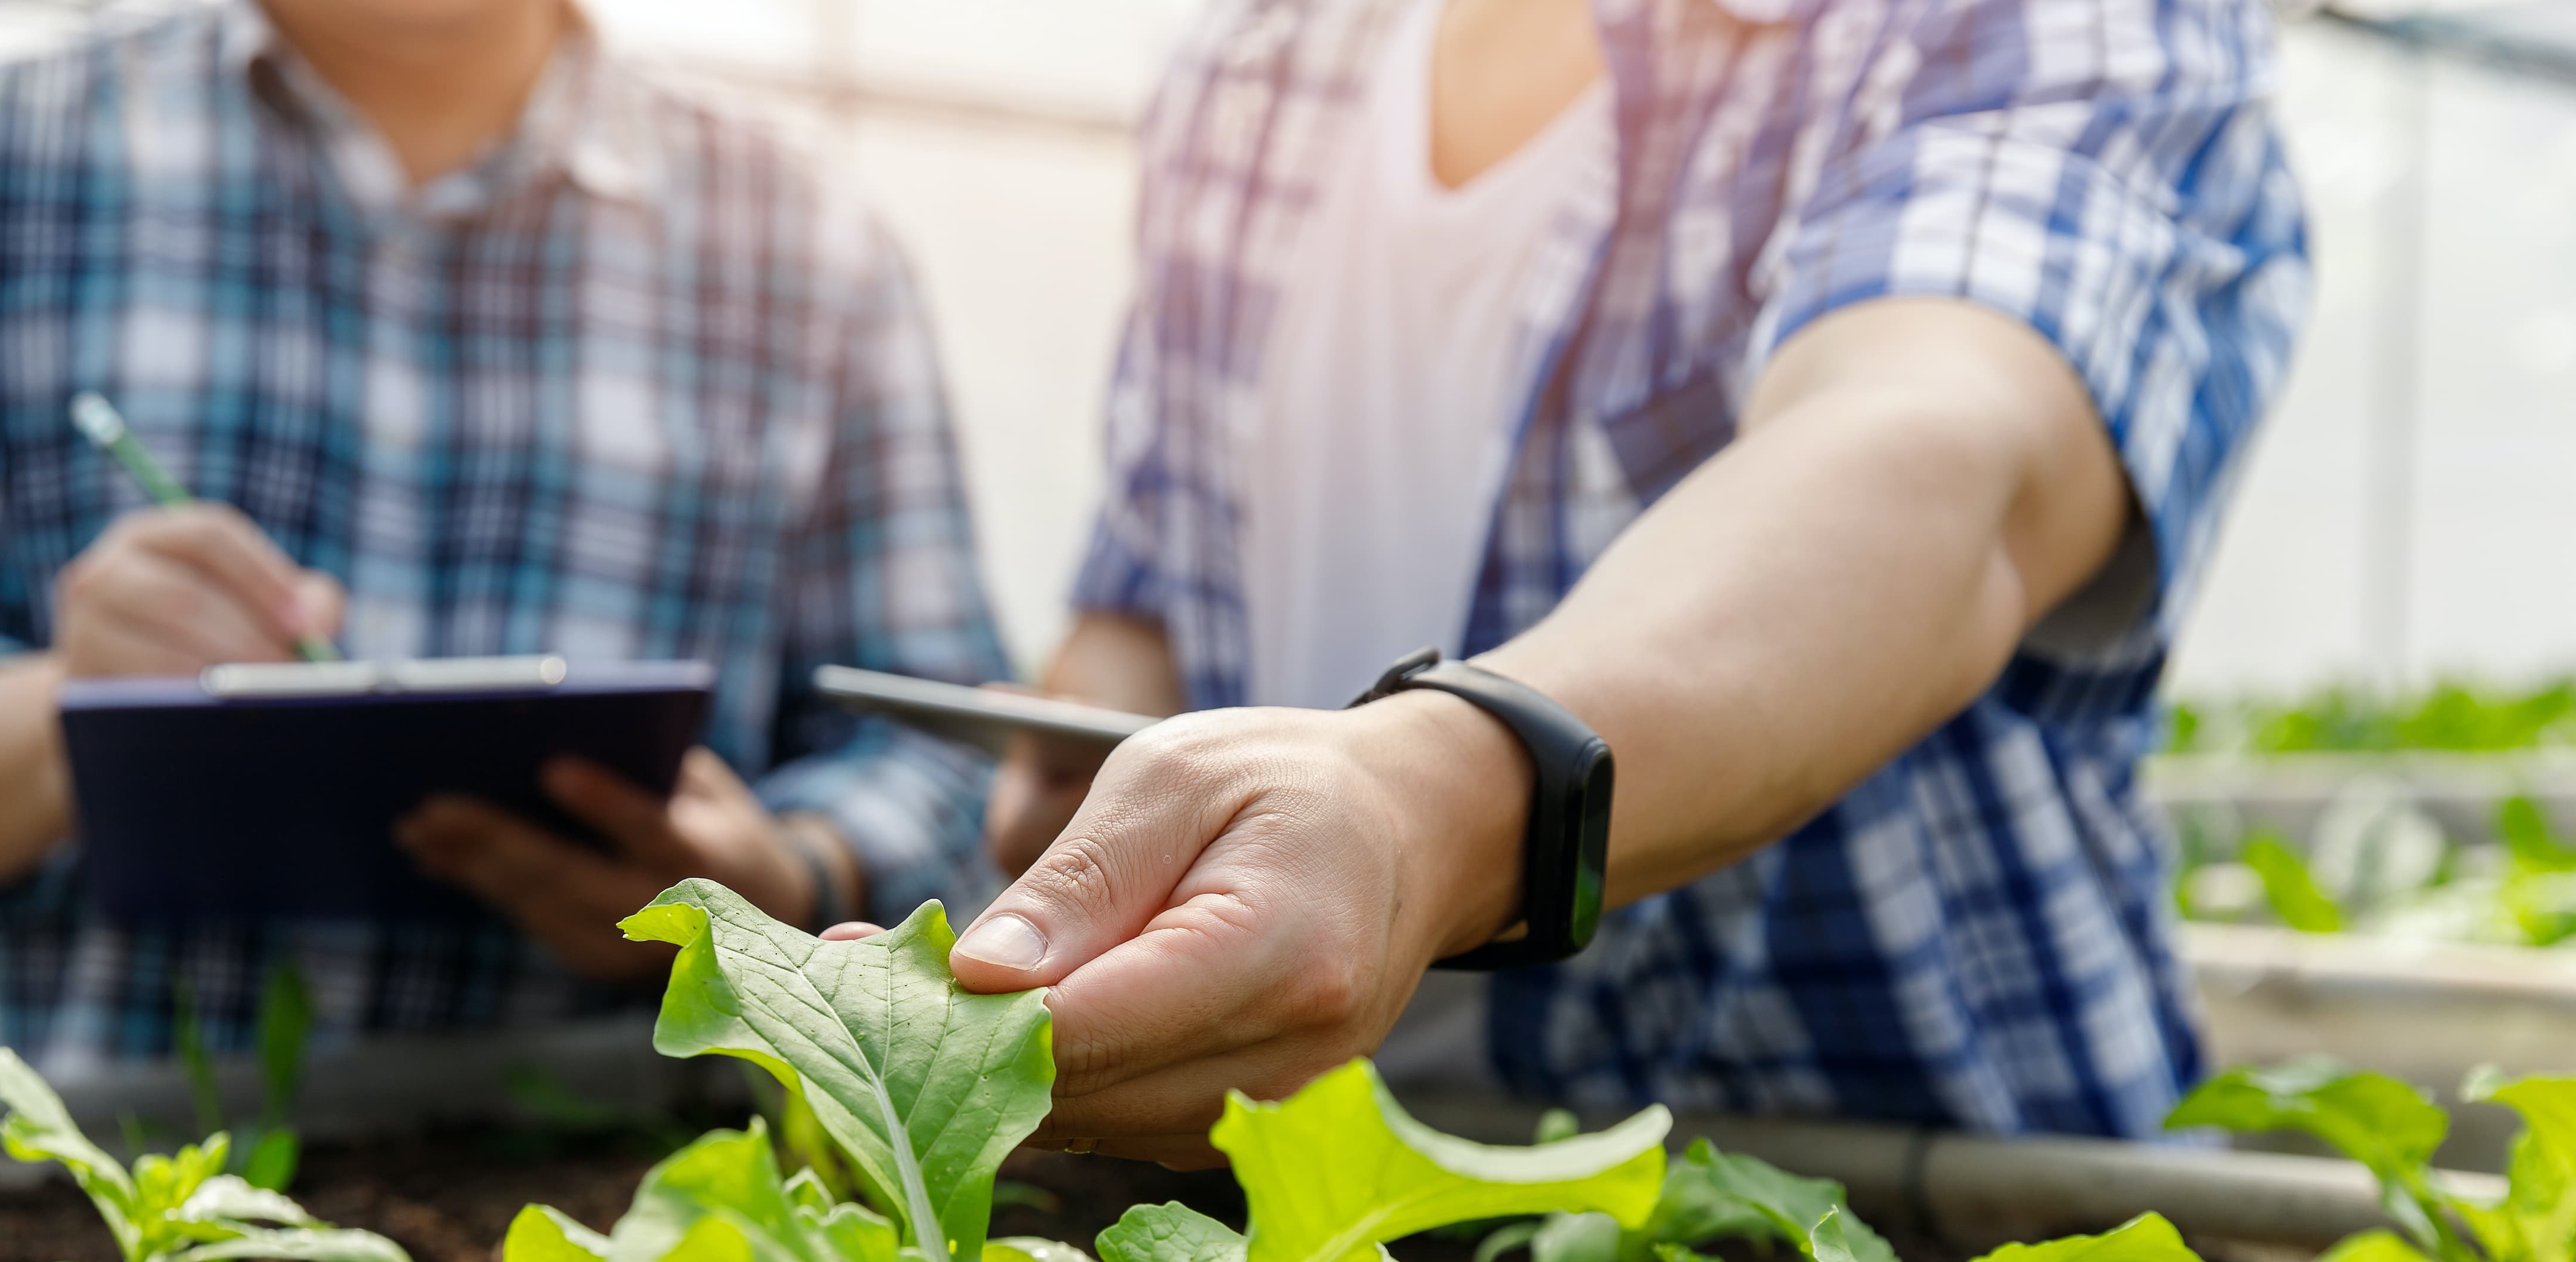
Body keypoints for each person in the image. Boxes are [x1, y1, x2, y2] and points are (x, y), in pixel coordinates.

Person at [952, 0, 2310, 1162]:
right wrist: (1107, 766)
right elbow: (1147, 580)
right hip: (1310, 1216)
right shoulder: (1261, 63)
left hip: (1882, 1232)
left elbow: (1937, 460)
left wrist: (1421, 800)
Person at [0, 0, 1004, 1070]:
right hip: (95, 1209)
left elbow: (942, 739)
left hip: (637, 1194)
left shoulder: (803, 243)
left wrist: (778, 882)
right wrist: (70, 708)